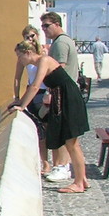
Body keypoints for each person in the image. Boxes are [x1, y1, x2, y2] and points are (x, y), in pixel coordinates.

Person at [8, 40, 89, 194]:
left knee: (72, 143)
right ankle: (82, 178)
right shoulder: (41, 62)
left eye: (20, 57)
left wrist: (22, 106)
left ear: (28, 53)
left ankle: (79, 183)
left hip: (68, 99)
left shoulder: (43, 60)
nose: (20, 60)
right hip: (63, 98)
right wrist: (19, 101)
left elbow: (35, 86)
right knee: (72, 142)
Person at [40, 11, 80, 181]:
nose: (44, 30)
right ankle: (62, 166)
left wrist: (49, 93)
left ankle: (62, 167)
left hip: (62, 93)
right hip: (65, 92)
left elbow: (58, 70)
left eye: (47, 26)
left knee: (64, 132)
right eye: (42, 26)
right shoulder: (62, 41)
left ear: (57, 24)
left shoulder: (60, 44)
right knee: (64, 132)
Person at [13, 25, 51, 174]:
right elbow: (17, 78)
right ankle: (45, 163)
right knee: (40, 131)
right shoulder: (23, 56)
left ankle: (59, 163)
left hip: (45, 93)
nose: (30, 39)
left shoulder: (45, 53)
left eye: (32, 36)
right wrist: (17, 98)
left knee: (50, 130)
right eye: (27, 37)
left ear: (37, 35)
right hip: (33, 94)